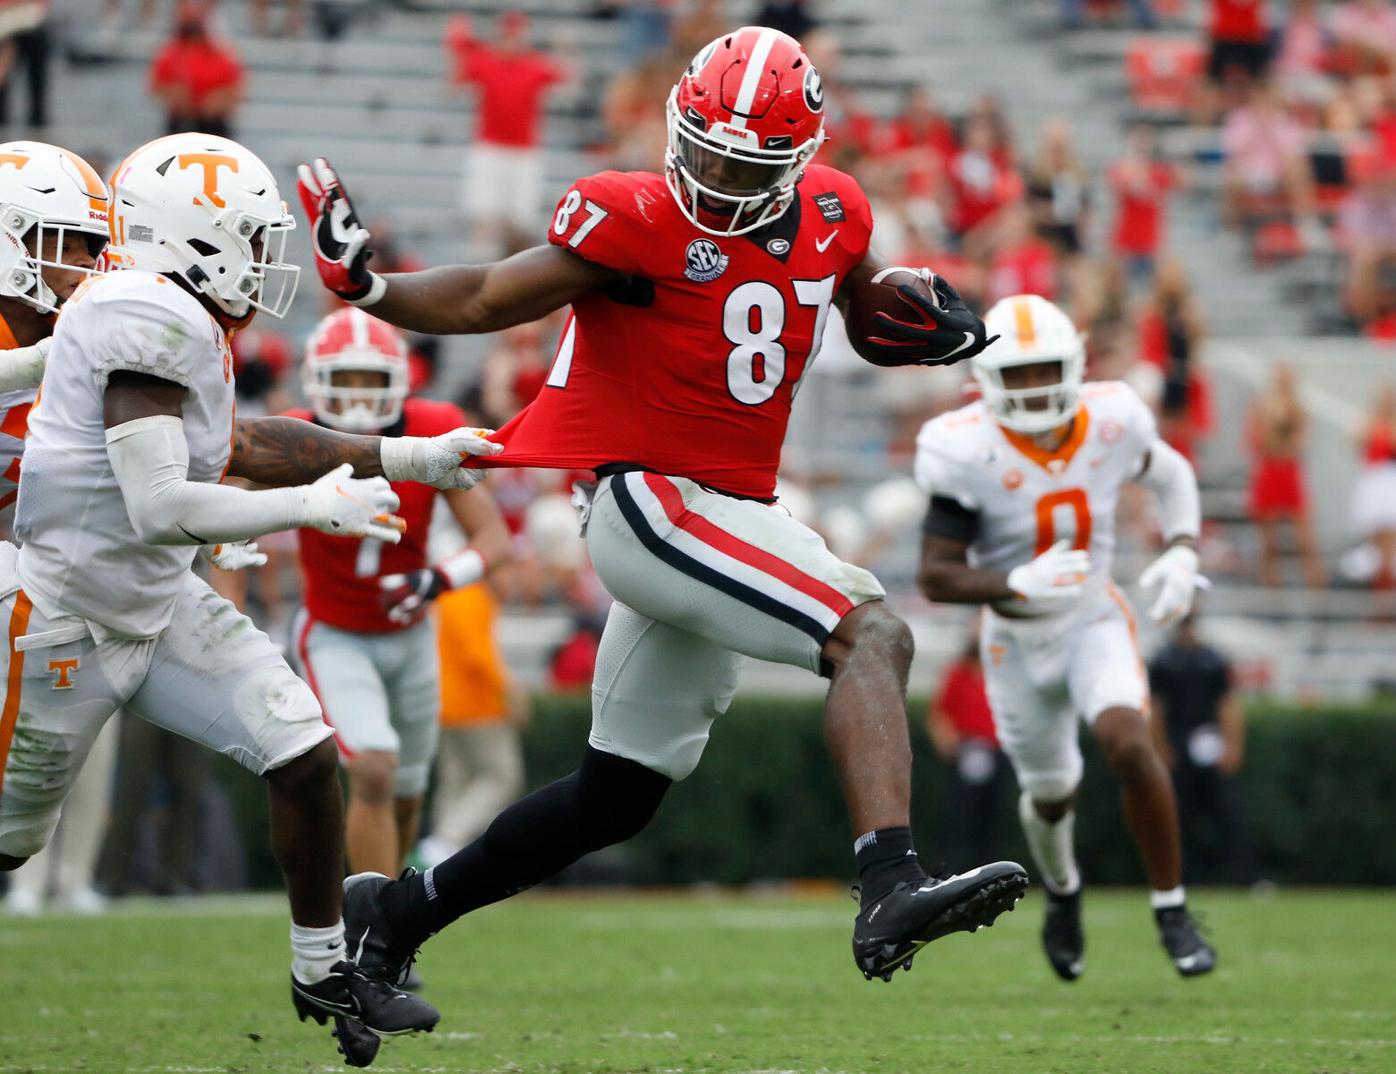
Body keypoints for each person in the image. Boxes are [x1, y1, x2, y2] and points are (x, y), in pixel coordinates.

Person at [298, 26, 1026, 993]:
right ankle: (890, 881)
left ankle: (392, 917)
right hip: (651, 498)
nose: (720, 179)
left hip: (724, 511)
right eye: (709, 150)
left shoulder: (834, 212)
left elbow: (852, 299)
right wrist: (374, 287)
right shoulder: (630, 216)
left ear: (801, 162)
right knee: (872, 634)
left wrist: (918, 321)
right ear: (676, 124)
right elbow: (482, 296)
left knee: (617, 796)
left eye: (747, 163)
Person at [0, 131, 505, 1062]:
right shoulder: (145, 316)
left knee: (307, 754)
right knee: (7, 845)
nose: (266, 258)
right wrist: (311, 509)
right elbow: (157, 505)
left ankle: (323, 967)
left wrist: (405, 456)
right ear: (193, 238)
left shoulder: (178, 317)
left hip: (156, 602)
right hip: (64, 618)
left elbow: (243, 443)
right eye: (249, 236)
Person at [915, 293, 1216, 981]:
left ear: (1075, 365)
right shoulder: (963, 447)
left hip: (1092, 619)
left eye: (1045, 368)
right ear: (985, 379)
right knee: (1051, 795)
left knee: (1128, 740)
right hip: (1014, 642)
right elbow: (935, 575)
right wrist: (1015, 582)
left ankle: (1171, 908)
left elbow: (1171, 475)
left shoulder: (1113, 418)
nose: (1034, 386)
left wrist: (1183, 548)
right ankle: (1063, 892)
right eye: (1017, 373)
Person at [289, 306, 511, 883]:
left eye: (371, 380)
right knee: (375, 772)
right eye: (346, 380)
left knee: (408, 792)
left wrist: (437, 580)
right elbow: (228, 499)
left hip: (412, 634)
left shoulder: (431, 426)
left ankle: (390, 920)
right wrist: (229, 593)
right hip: (336, 632)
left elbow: (492, 538)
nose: (359, 398)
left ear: (401, 381)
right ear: (317, 382)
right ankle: (372, 925)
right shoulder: (294, 434)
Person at [1148, 612, 1255, 886]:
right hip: (1178, 742)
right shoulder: (1163, 660)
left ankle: (1242, 877)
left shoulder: (1213, 659)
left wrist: (1233, 745)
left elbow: (1227, 703)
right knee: (1178, 815)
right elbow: (1156, 706)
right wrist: (1161, 747)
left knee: (1230, 814)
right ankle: (1179, 878)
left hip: (1210, 741)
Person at [445, 12, 567, 254]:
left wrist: (564, 49)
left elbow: (567, 84)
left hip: (524, 151)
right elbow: (452, 87)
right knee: (485, 213)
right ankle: (481, 263)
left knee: (521, 217)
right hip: (490, 148)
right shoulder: (485, 61)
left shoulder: (535, 65)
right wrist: (455, 48)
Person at [925, 639, 1011, 874]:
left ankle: (990, 871)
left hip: (996, 753)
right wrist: (950, 747)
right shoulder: (957, 674)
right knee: (960, 817)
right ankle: (950, 871)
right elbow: (940, 713)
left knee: (991, 819)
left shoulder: (1000, 674)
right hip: (967, 753)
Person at [1247, 362, 1325, 588]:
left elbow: (1297, 444)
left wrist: (1279, 432)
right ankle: (1271, 588)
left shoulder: (1296, 409)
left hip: (1288, 470)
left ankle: (1315, 588)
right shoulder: (1263, 407)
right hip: (1271, 469)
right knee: (1268, 541)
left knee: (1305, 539)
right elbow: (1262, 442)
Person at [148, 2, 243, 137]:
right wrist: (172, 94)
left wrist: (218, 100)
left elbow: (236, 90)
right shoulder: (170, 52)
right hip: (180, 121)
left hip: (213, 124)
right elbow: (155, 88)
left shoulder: (222, 54)